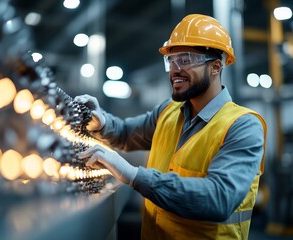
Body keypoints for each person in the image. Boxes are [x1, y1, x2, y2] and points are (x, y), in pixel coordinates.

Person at [75, 14, 267, 240]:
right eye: (171, 60)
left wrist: (133, 175)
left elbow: (219, 198)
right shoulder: (168, 111)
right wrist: (103, 122)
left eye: (185, 60)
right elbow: (127, 134)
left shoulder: (243, 126)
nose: (174, 69)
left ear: (216, 67)